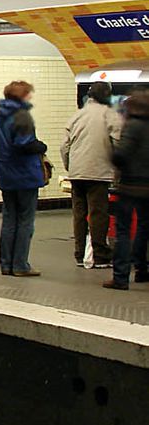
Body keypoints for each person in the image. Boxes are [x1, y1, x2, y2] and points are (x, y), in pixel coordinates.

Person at [0, 81, 49, 277]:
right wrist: (41, 146)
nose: (30, 97)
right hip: (24, 176)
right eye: (28, 94)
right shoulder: (21, 117)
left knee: (9, 220)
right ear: (21, 97)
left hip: (6, 175)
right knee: (25, 221)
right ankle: (21, 265)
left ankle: (6, 264)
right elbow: (25, 144)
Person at [61, 81, 121, 268]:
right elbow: (118, 144)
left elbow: (64, 146)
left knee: (79, 213)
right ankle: (100, 254)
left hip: (77, 173)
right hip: (98, 172)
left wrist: (70, 167)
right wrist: (119, 170)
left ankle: (80, 254)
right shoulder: (110, 115)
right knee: (97, 213)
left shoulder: (76, 115)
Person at [104, 90, 149, 290]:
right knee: (144, 228)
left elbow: (121, 154)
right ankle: (142, 269)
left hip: (131, 185)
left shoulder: (133, 126)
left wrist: (114, 161)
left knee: (123, 231)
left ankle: (120, 277)